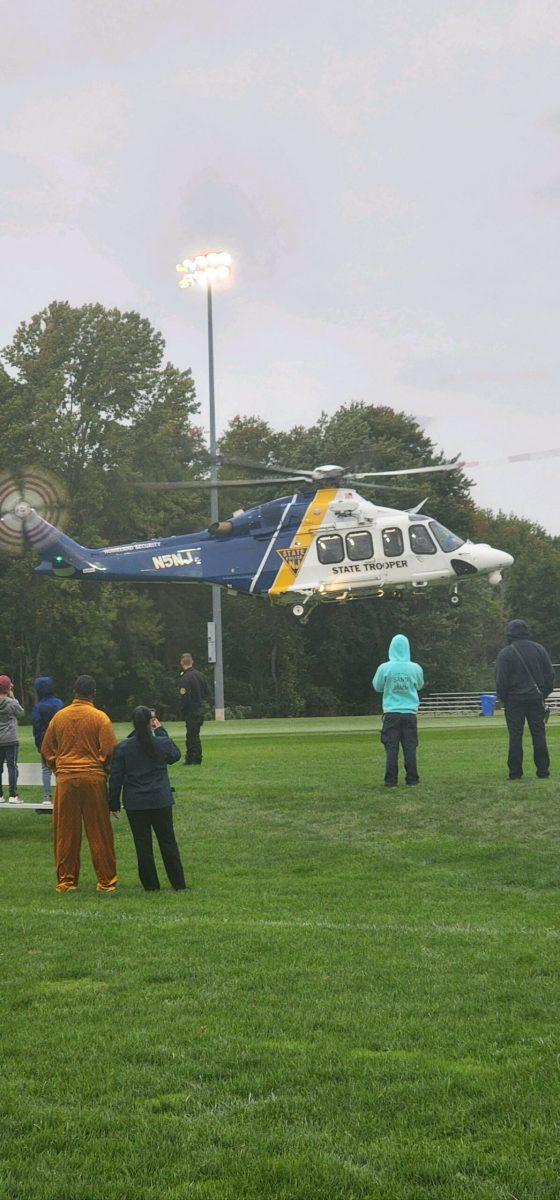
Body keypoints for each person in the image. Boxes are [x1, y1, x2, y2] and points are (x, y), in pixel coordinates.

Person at [41, 674, 118, 893]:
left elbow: (46, 749)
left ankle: (66, 881)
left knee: (66, 832)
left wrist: (59, 767)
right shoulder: (100, 717)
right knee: (99, 831)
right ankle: (106, 881)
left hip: (66, 779)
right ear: (93, 693)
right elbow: (110, 748)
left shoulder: (59, 717)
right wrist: (102, 766)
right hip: (93, 778)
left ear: (74, 691)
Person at [109, 706, 187, 892]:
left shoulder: (124, 747)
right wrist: (160, 729)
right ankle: (178, 883)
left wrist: (113, 802)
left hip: (136, 803)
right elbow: (175, 755)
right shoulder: (160, 743)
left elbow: (116, 777)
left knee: (142, 844)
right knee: (168, 842)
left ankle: (151, 885)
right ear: (150, 722)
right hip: (160, 799)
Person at [495, 619, 554, 780]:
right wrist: (543, 693)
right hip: (536, 698)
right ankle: (543, 771)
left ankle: (515, 772)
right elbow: (550, 675)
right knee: (539, 735)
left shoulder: (506, 653)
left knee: (515, 736)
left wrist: (503, 698)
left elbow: (501, 680)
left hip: (514, 700)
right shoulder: (539, 649)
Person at [373, 634, 424, 787]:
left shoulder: (385, 668)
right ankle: (412, 780)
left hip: (391, 713)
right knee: (410, 747)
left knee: (391, 748)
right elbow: (419, 685)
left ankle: (391, 781)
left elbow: (377, 687)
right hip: (409, 713)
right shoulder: (415, 668)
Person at [31, 676, 64, 805]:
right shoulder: (59, 703)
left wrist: (38, 744)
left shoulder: (38, 707)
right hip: (59, 741)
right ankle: (61, 795)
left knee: (46, 769)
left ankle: (46, 796)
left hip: (45, 741)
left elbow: (36, 725)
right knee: (60, 768)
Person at [178, 652, 211, 765]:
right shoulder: (200, 675)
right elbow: (207, 692)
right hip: (199, 709)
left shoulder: (185, 678)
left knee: (191, 736)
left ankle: (193, 759)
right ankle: (195, 757)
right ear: (192, 662)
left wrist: (182, 709)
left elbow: (184, 696)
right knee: (194, 734)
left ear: (182, 663)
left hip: (190, 711)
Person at [0, 674, 24, 803]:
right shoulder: (11, 702)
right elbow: (21, 712)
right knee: (12, 767)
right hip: (10, 739)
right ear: (7, 688)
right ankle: (13, 795)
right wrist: (13, 696)